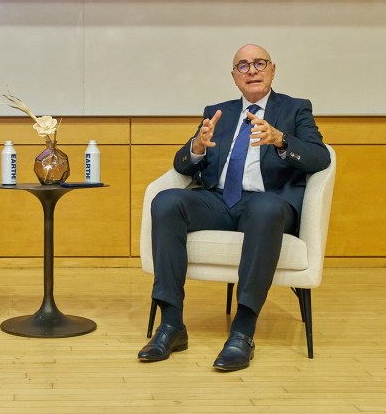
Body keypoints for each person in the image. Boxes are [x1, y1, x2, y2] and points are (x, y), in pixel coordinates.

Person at [138, 44, 330, 371]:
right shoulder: (218, 111)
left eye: (259, 63)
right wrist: (196, 148)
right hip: (218, 200)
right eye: (243, 65)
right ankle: (171, 325)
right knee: (166, 201)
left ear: (272, 69)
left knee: (265, 209)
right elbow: (183, 166)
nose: (251, 70)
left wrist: (281, 140)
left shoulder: (296, 109)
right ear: (234, 76)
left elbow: (319, 157)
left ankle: (243, 330)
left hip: (266, 202)